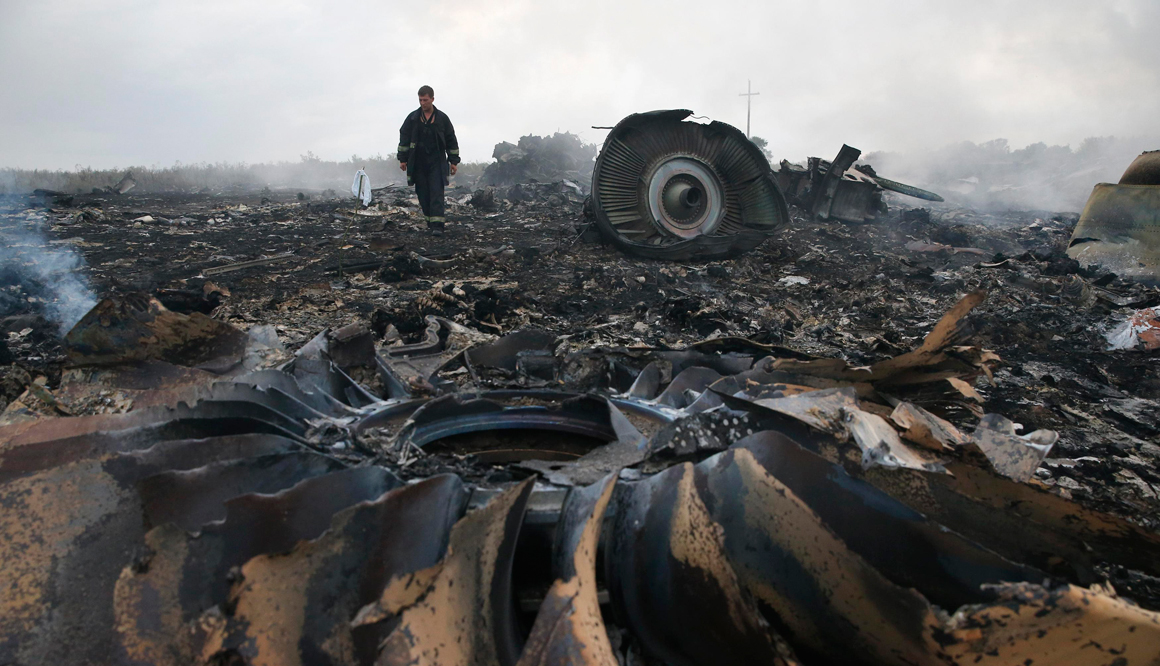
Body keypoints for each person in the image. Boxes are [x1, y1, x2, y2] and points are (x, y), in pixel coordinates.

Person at [397, 85, 460, 235]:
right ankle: (430, 222)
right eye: (420, 100)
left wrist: (454, 161)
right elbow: (404, 138)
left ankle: (438, 226)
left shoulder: (442, 119)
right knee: (423, 193)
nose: (422, 103)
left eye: (425, 100)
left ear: (432, 99)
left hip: (436, 162)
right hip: (418, 163)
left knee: (436, 191)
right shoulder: (412, 118)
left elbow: (451, 140)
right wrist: (402, 159)